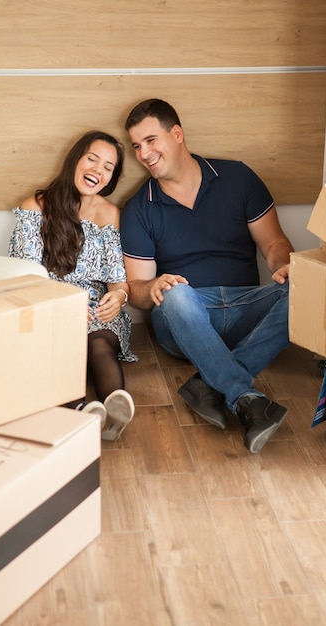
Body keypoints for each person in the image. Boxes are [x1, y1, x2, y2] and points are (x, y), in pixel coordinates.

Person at [120, 99, 294, 454]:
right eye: (137, 146)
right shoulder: (140, 208)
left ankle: (211, 384)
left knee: (307, 288)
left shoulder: (237, 177)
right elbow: (137, 290)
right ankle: (242, 395)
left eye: (151, 140)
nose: (144, 154)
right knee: (176, 294)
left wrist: (285, 266)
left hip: (246, 305)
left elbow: (274, 243)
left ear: (178, 134)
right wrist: (154, 286)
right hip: (187, 314)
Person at [8, 130, 137, 441]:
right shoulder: (36, 207)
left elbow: (118, 281)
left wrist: (118, 297)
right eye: (92, 159)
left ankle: (114, 412)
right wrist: (65, 307)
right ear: (75, 160)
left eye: (108, 167)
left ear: (112, 178)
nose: (98, 170)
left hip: (96, 307)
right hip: (48, 304)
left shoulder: (110, 215)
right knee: (64, 346)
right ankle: (81, 409)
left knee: (99, 344)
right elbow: (26, 278)